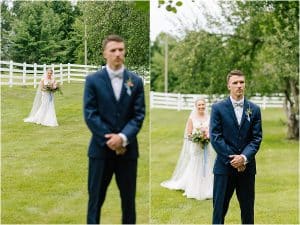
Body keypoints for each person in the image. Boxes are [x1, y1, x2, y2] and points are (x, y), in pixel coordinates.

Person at [83, 34, 145, 224]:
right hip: (100, 151)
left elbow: (138, 115)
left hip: (127, 152)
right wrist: (110, 140)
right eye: (113, 50)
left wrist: (123, 138)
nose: (118, 53)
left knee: (128, 202)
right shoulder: (93, 81)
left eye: (121, 49)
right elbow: (90, 113)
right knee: (95, 200)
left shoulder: (135, 81)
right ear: (105, 54)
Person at [209, 70, 263, 224]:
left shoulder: (254, 109)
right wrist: (234, 159)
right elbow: (216, 137)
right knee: (219, 211)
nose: (239, 86)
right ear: (228, 86)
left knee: (247, 211)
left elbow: (256, 138)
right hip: (224, 168)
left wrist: (244, 158)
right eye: (235, 83)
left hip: (247, 169)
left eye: (242, 82)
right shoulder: (218, 108)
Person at [161, 98, 215, 200]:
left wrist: (207, 137)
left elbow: (212, 131)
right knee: (196, 164)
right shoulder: (192, 118)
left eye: (203, 105)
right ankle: (194, 188)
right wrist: (198, 138)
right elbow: (189, 134)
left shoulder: (209, 117)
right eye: (199, 105)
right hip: (196, 147)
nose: (201, 107)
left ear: (205, 105)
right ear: (196, 106)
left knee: (206, 164)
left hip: (207, 146)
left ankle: (207, 188)